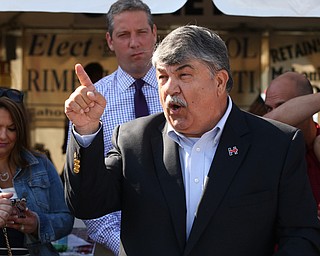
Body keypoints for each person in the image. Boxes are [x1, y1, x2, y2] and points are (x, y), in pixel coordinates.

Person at [64, 25, 320, 255]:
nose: (169, 88)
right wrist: (86, 131)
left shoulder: (276, 144)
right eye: (163, 76)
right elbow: (87, 204)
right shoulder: (134, 140)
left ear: (220, 81)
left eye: (184, 75)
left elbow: (301, 234)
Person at [71, 1, 162, 255]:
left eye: (142, 32)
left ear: (155, 33)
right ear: (110, 40)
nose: (135, 43)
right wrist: (124, 246)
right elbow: (87, 186)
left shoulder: (179, 92)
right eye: (124, 35)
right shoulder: (91, 102)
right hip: (114, 246)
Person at [0, 87, 74, 255]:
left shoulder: (40, 164)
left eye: (11, 129)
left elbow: (66, 219)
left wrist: (38, 224)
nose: (3, 136)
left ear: (21, 131)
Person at [264, 72, 320, 217]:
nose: (274, 113)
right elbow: (268, 123)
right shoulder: (266, 147)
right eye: (269, 108)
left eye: (282, 106)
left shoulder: (317, 142)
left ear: (305, 106)